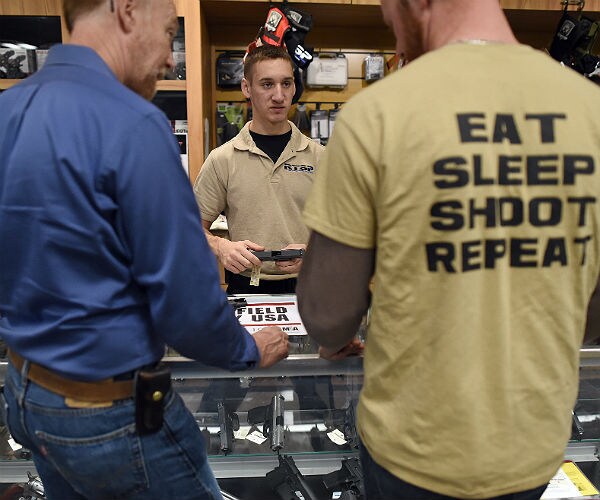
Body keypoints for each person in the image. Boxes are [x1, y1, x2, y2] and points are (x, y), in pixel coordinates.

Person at [296, 0, 600, 499]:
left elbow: (328, 317)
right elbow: (590, 317)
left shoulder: (378, 114)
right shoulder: (589, 109)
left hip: (412, 452)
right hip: (534, 450)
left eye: (391, 17)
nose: (395, 39)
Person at [0, 0, 289, 499]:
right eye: (169, 32)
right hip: (110, 415)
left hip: (27, 394)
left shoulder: (8, 110)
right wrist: (247, 350)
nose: (171, 58)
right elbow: (186, 302)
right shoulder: (133, 122)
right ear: (128, 10)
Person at [194, 44, 324, 295]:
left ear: (294, 88)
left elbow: (348, 231)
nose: (279, 95)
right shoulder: (223, 159)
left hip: (310, 287)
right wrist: (221, 247)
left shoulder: (321, 157)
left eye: (286, 83)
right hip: (246, 287)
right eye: (267, 84)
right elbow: (189, 228)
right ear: (246, 88)